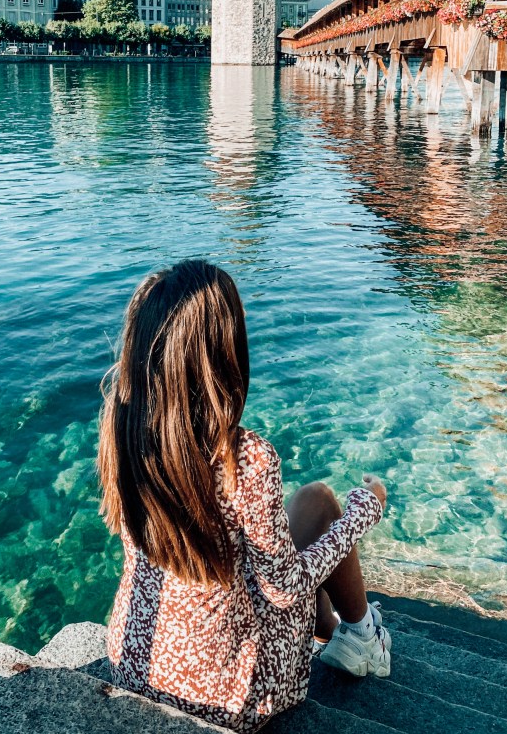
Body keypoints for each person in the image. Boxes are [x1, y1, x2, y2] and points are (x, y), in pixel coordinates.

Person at [98, 259, 389, 733]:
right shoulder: (245, 457)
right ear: (222, 354)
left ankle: (339, 631)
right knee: (319, 503)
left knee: (291, 525)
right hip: (229, 694)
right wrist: (365, 510)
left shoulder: (120, 426)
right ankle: (362, 639)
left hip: (135, 665)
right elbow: (283, 587)